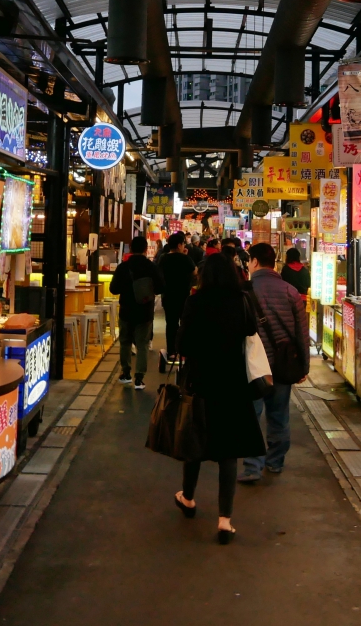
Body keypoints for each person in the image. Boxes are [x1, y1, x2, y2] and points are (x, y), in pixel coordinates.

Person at [173, 253, 266, 543]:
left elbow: (183, 344)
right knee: (229, 451)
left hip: (201, 381)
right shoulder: (241, 301)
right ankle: (225, 520)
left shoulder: (195, 302)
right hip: (233, 383)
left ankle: (188, 498)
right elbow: (251, 331)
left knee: (196, 443)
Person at [239, 241, 310, 482]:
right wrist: (304, 367)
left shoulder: (244, 291)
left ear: (255, 262)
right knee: (279, 415)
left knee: (251, 417)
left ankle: (252, 467)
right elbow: (302, 332)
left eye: (249, 261)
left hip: (253, 367)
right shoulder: (290, 291)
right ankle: (276, 462)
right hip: (282, 365)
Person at [110, 235, 164, 389]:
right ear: (146, 249)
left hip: (126, 310)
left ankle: (126, 373)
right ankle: (139, 378)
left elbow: (113, 289)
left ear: (131, 249)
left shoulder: (123, 267)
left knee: (125, 343)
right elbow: (161, 287)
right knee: (143, 344)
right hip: (144, 311)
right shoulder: (151, 267)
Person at [157, 232, 196, 361]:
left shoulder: (163, 258)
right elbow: (195, 272)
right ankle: (184, 351)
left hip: (168, 296)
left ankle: (172, 352)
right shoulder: (186, 259)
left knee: (171, 324)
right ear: (180, 245)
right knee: (184, 324)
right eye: (183, 243)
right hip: (184, 297)